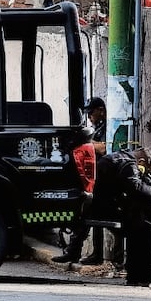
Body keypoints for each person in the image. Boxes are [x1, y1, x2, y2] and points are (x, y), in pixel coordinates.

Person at [93, 147, 151, 286]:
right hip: (109, 209)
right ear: (141, 161)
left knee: (140, 227)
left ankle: (137, 274)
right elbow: (136, 188)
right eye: (145, 167)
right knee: (148, 225)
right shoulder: (129, 164)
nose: (144, 170)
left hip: (104, 206)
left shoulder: (119, 157)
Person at [51, 96, 109, 265]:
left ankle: (81, 253)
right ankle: (82, 252)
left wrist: (87, 142)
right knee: (87, 215)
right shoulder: (97, 127)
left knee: (91, 214)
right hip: (94, 178)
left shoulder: (109, 126)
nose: (89, 116)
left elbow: (104, 148)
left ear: (100, 110)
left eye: (91, 112)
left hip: (105, 178)